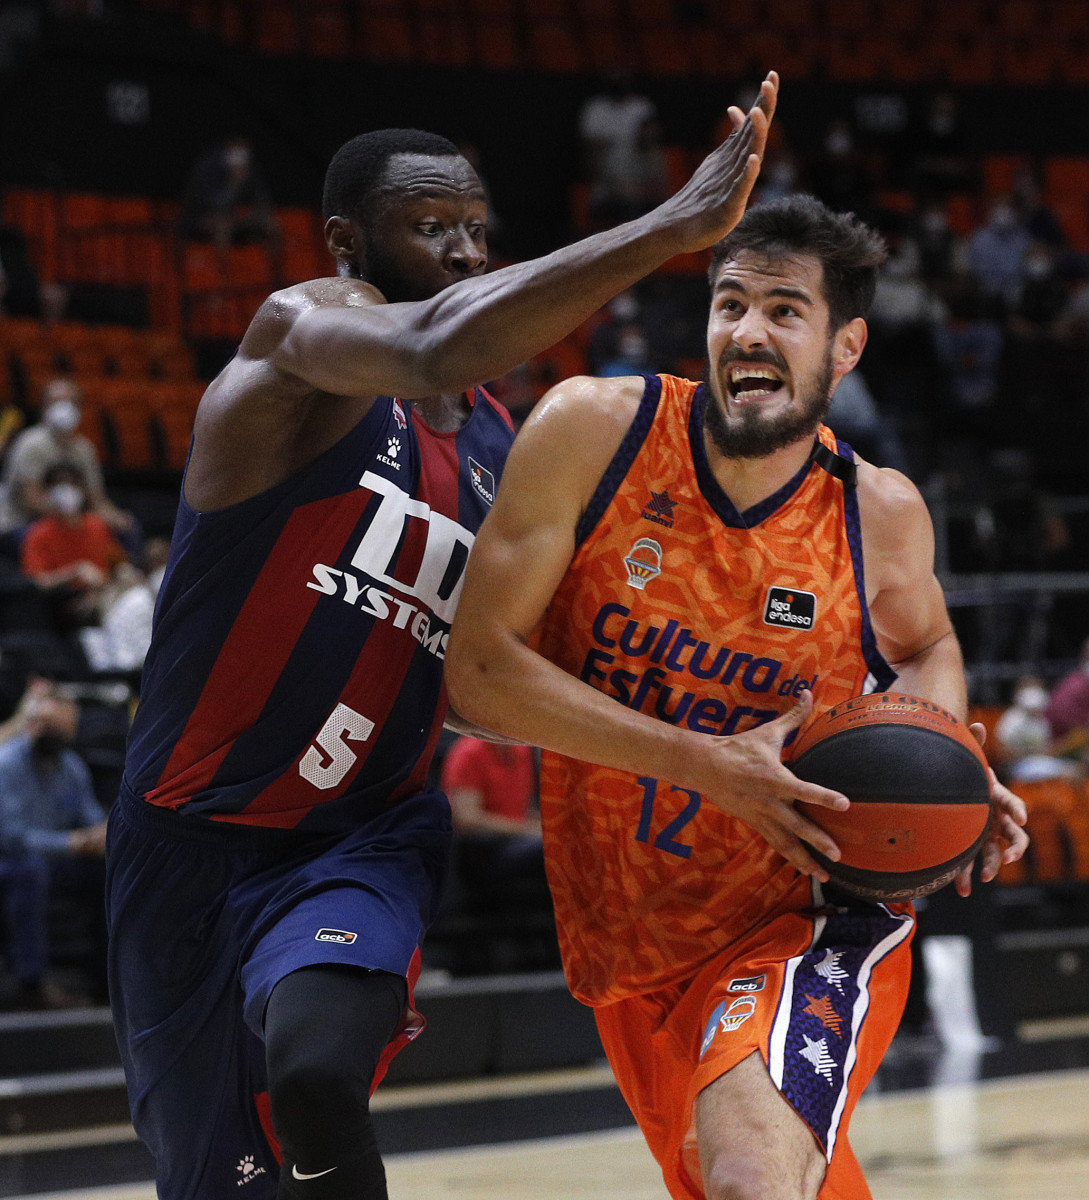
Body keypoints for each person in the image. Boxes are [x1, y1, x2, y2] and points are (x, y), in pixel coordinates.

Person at [108, 80, 780, 1200]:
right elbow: (425, 347)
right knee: (223, 1180)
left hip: (359, 838)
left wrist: (714, 735)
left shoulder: (500, 451)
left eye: (478, 229)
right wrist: (670, 228)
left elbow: (477, 678)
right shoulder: (292, 346)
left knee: (318, 1071)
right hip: (189, 840)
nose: (468, 251)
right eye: (434, 228)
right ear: (346, 242)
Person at [445, 193, 1028, 1200]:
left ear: (844, 348)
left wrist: (950, 757)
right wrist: (711, 767)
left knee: (751, 1179)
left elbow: (928, 641)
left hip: (809, 908)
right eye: (731, 303)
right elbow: (477, 676)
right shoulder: (596, 433)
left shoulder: (875, 513)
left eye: (785, 310)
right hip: (633, 940)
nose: (749, 330)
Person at [0, 683, 107, 1008]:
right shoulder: (7, 765)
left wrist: (100, 836)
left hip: (58, 861)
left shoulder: (71, 766)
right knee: (28, 872)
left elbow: (90, 817)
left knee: (109, 870)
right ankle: (31, 983)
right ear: (33, 726)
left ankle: (107, 977)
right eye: (47, 727)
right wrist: (71, 843)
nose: (54, 734)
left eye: (62, 728)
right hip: (13, 861)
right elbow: (13, 838)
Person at [0, 377, 136, 539]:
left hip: (68, 523)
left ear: (79, 408)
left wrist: (115, 517)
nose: (63, 408)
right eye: (56, 402)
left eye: (69, 402)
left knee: (128, 531)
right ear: (44, 408)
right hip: (21, 525)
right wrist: (68, 514)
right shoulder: (31, 444)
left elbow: (97, 501)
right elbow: (32, 501)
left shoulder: (84, 449)